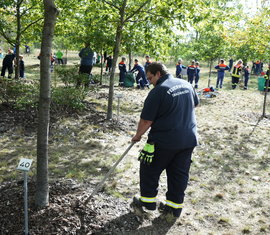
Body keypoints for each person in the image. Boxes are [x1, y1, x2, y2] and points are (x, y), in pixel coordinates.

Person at [130, 62, 199, 219]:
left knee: (149, 170)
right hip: (188, 140)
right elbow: (195, 104)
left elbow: (146, 121)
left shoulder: (158, 91)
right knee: (178, 175)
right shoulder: (186, 84)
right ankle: (173, 210)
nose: (149, 82)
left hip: (164, 141)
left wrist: (137, 135)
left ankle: (147, 204)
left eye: (150, 78)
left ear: (158, 74)